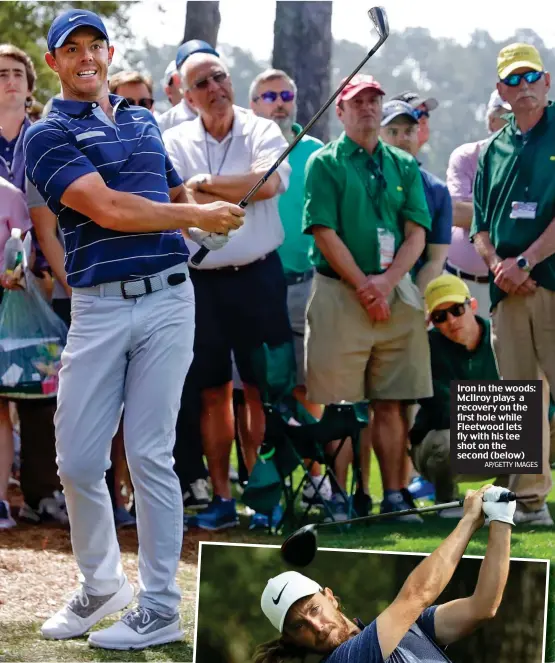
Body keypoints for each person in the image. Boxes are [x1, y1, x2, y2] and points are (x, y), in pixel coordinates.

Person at [24, 9, 244, 649]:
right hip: (98, 306)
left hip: (171, 299)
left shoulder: (145, 118)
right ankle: (101, 587)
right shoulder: (45, 134)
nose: (86, 57)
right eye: (73, 50)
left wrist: (198, 219)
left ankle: (158, 604)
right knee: (80, 458)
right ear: (54, 63)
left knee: (150, 454)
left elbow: (168, 190)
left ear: (110, 51)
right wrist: (195, 210)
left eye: (96, 45)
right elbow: (112, 209)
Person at [163, 51, 292, 531]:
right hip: (202, 282)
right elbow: (174, 201)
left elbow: (268, 182)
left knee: (263, 393)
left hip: (259, 276)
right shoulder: (172, 139)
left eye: (220, 77)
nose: (215, 87)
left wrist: (204, 186)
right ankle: (221, 496)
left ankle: (262, 498)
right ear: (186, 93)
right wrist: (198, 195)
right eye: (202, 82)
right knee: (213, 393)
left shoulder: (261, 128)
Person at [302, 74, 433, 520]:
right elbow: (323, 231)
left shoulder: (404, 163)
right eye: (358, 102)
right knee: (339, 404)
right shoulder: (325, 162)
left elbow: (416, 233)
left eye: (375, 100)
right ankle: (339, 496)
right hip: (341, 293)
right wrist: (364, 284)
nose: (368, 108)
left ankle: (394, 495)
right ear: (340, 111)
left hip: (393, 292)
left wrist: (387, 282)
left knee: (392, 401)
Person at [255, 485, 513, 663]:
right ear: (291, 639)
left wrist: (501, 518)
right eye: (299, 626)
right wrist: (469, 520)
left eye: (314, 609)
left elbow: (482, 607)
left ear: (330, 597)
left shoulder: (409, 626)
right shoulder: (345, 660)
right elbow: (416, 595)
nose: (318, 627)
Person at [470, 42, 555, 527]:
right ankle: (530, 503)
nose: (523, 88)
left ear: (546, 81)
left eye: (531, 78)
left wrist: (526, 259)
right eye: (513, 81)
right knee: (518, 398)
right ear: (501, 90)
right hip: (507, 290)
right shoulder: (493, 149)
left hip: (549, 280)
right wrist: (500, 265)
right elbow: (480, 225)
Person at [249, 68, 331, 515]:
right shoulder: (246, 148)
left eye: (286, 95)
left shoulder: (316, 153)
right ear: (254, 103)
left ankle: (317, 482)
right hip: (256, 284)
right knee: (256, 392)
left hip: (305, 284)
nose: (279, 102)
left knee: (307, 385)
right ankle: (261, 488)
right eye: (268, 96)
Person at [409, 275, 502, 515]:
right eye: (440, 316)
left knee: (546, 422)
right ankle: (447, 501)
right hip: (439, 445)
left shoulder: (502, 335)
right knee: (449, 439)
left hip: (500, 436)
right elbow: (444, 408)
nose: (451, 320)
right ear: (432, 321)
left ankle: (513, 496)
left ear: (472, 305)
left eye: (456, 309)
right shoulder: (425, 347)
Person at [445, 91, 511, 315]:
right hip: (459, 281)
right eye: (508, 117)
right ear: (492, 121)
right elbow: (457, 213)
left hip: (511, 282)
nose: (517, 123)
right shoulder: (466, 156)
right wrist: (514, 214)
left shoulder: (533, 158)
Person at [380, 99, 451, 292]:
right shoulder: (360, 180)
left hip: (412, 297)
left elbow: (435, 260)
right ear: (378, 135)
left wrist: (417, 305)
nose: (402, 139)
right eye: (393, 132)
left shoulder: (437, 190)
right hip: (362, 292)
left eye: (409, 131)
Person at [0, 175, 31, 528]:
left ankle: (1, 501)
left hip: (4, 309)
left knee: (0, 410)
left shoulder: (10, 195)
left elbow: (23, 249)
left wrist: (14, 271)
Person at [157, 40, 218, 134]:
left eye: (216, 75)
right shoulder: (163, 126)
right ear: (179, 80)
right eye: (201, 80)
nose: (211, 85)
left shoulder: (242, 120)